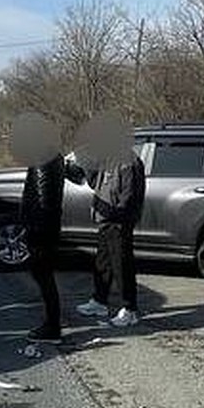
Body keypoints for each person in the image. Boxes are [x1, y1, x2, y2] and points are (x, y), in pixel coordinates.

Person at [68, 124, 146, 327]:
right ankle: (99, 301)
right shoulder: (108, 160)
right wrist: (84, 163)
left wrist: (116, 217)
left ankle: (130, 309)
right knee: (103, 263)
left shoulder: (129, 162)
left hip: (119, 222)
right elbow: (96, 184)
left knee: (122, 265)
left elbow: (129, 197)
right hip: (105, 221)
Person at [13, 113, 65, 342]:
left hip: (41, 227)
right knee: (44, 276)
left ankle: (52, 327)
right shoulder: (53, 154)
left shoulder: (42, 156)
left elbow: (43, 197)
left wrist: (32, 226)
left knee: (43, 276)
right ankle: (52, 323)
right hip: (47, 225)